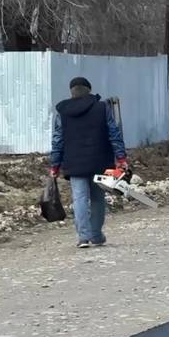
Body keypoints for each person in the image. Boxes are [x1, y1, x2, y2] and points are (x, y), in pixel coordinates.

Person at [49, 77, 127, 249]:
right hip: (100, 161)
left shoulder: (63, 111)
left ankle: (83, 237)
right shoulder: (102, 108)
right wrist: (121, 158)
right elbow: (114, 133)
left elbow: (58, 140)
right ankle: (97, 236)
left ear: (72, 91)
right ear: (89, 90)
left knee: (79, 199)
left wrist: (54, 165)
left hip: (74, 163)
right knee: (98, 199)